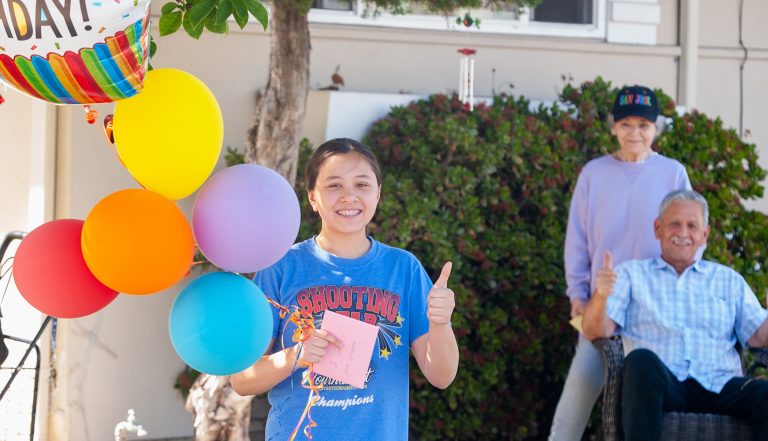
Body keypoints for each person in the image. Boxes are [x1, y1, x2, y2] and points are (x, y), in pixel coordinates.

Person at [230, 138, 459, 441]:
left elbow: (441, 377)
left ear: (378, 193)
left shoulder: (403, 269)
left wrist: (441, 323)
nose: (349, 197)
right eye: (334, 185)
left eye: (362, 185)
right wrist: (295, 356)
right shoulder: (281, 268)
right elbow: (241, 380)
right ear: (312, 197)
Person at [549, 85, 692, 441]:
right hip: (603, 304)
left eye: (643, 125)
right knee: (575, 404)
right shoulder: (594, 174)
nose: (635, 133)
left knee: (643, 408)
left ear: (655, 129)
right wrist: (577, 295)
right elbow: (577, 240)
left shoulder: (673, 174)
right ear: (614, 127)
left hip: (655, 308)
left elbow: (690, 234)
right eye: (626, 124)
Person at [583, 189, 768, 441]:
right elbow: (595, 331)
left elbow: (759, 335)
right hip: (663, 385)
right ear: (658, 228)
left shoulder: (728, 280)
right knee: (640, 361)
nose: (683, 233)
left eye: (692, 226)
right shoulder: (631, 275)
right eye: (674, 224)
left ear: (705, 234)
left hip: (721, 384)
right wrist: (601, 296)